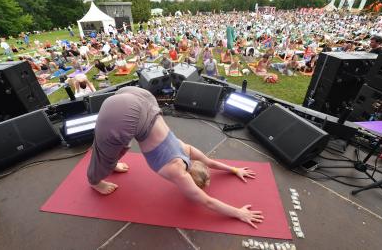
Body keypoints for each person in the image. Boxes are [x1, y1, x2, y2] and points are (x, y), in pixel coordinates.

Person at [87, 87, 264, 228]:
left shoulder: (186, 150)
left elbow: (210, 162)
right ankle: (95, 182)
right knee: (105, 155)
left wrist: (234, 170)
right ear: (191, 181)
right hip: (124, 114)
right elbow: (208, 202)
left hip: (142, 98)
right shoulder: (178, 173)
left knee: (120, 147)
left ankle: (113, 164)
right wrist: (239, 213)